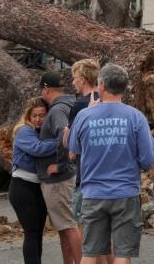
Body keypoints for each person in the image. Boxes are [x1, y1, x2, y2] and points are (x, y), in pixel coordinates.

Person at [68, 63, 154, 264]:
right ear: (124, 87)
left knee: (89, 253)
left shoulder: (84, 116)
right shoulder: (135, 117)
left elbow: (74, 149)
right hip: (125, 192)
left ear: (101, 86)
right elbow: (148, 159)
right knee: (123, 253)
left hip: (93, 193)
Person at [38, 71, 82, 264]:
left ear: (46, 89)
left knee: (69, 225)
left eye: (41, 90)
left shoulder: (57, 110)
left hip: (59, 180)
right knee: (63, 227)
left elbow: (64, 134)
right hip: (69, 175)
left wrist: (61, 165)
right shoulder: (72, 104)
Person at [8, 97, 56, 264]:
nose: (37, 119)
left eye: (41, 115)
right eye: (34, 115)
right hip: (22, 187)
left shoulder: (42, 132)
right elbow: (38, 149)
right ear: (28, 116)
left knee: (38, 233)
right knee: (31, 232)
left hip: (38, 187)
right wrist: (61, 141)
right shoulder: (24, 131)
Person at [65, 59, 101, 223]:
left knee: (83, 225)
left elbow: (71, 148)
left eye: (74, 78)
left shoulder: (80, 105)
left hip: (86, 174)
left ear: (82, 79)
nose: (73, 83)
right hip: (110, 176)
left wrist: (66, 131)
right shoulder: (108, 99)